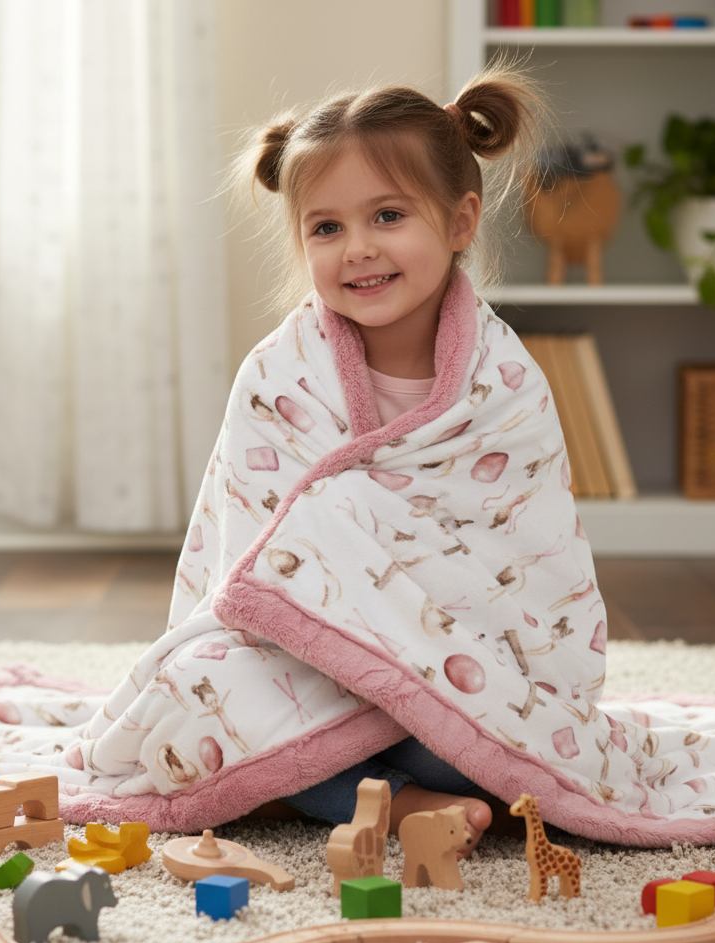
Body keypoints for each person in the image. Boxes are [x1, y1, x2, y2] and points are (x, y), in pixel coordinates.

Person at [218, 52, 554, 858]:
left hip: (452, 672)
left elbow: (528, 561)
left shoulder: (503, 382)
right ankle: (399, 808)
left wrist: (420, 661)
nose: (357, 248)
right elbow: (249, 556)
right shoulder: (278, 375)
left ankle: (409, 787)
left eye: (388, 216)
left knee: (497, 751)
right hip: (312, 674)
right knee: (227, 715)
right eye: (327, 228)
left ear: (461, 221)